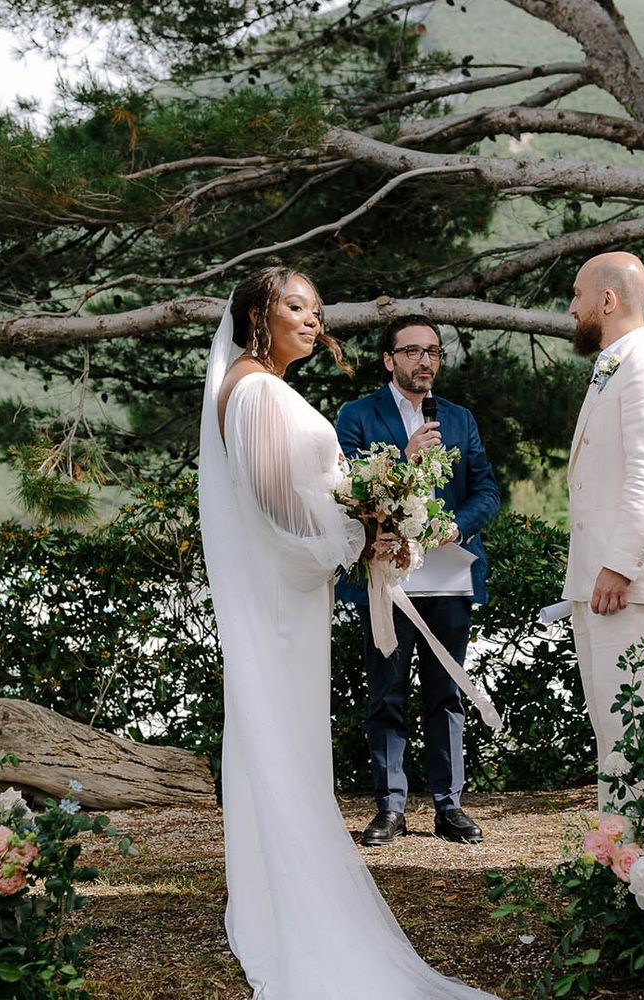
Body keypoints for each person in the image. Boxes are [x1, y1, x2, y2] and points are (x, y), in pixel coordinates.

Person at [198, 268, 495, 999]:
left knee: (284, 737)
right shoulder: (256, 392)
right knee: (284, 735)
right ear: (257, 315)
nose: (313, 320)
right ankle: (295, 908)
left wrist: (362, 525)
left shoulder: (258, 386)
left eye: (318, 310)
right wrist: (360, 532)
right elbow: (274, 503)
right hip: (282, 599)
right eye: (297, 307)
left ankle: (280, 894)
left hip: (290, 594)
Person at [335, 315, 500, 847]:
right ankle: (391, 807)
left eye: (432, 351)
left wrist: (457, 525)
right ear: (389, 360)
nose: (425, 360)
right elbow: (344, 489)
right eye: (412, 351)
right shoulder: (358, 416)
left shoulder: (458, 419)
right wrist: (404, 463)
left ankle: (449, 806)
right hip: (387, 576)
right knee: (386, 693)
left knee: (445, 691)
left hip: (448, 573)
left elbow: (487, 492)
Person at [563, 252, 644, 812]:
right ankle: (620, 851)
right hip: (598, 580)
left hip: (627, 582)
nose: (572, 308)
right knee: (610, 733)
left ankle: (640, 852)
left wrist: (617, 565)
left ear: (607, 301)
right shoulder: (615, 366)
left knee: (631, 733)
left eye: (578, 294)